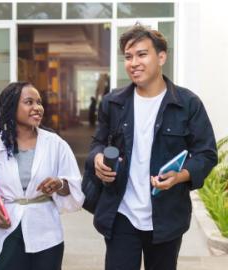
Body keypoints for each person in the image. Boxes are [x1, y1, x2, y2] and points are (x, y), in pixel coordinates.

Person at [85, 24, 217, 270]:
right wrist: (97, 158)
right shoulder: (113, 103)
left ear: (161, 57)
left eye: (142, 54)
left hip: (166, 217)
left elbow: (206, 153)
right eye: (128, 56)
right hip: (121, 214)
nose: (133, 62)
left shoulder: (187, 104)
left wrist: (182, 176)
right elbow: (97, 143)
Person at [0, 82, 85, 270]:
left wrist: (60, 184)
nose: (37, 108)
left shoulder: (55, 144)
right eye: (29, 102)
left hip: (46, 233)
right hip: (6, 232)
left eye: (39, 102)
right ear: (12, 108)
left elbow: (75, 188)